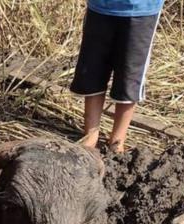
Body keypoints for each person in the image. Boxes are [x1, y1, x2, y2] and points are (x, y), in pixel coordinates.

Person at [70, 0, 165, 153]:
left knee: (129, 78)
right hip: (100, 7)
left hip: (141, 10)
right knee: (92, 72)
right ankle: (89, 139)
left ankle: (117, 142)